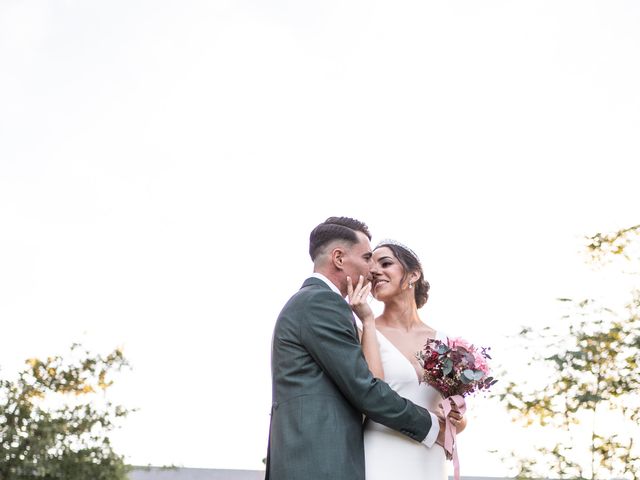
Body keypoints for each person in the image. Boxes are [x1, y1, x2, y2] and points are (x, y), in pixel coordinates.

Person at [266, 217, 453, 480]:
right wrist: (433, 426)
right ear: (339, 258)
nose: (372, 269)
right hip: (320, 461)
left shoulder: (315, 302)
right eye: (367, 258)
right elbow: (365, 389)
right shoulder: (322, 303)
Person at [348, 239, 467, 480]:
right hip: (380, 453)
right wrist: (368, 322)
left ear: (413, 274)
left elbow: (458, 422)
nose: (376, 271)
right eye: (372, 268)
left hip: (429, 459)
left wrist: (458, 417)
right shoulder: (364, 330)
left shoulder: (446, 342)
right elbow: (373, 392)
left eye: (386, 263)